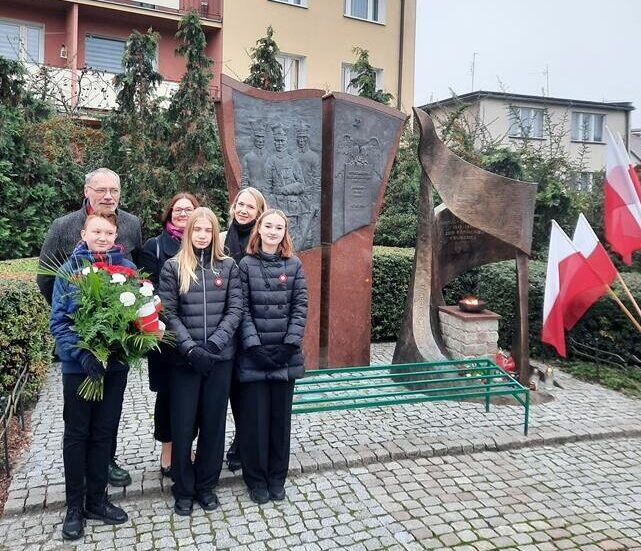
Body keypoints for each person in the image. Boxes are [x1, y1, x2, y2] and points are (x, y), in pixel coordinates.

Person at [38, 167, 142, 488]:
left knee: (110, 413)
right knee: (79, 419)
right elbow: (46, 276)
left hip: (115, 343)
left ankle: (105, 462)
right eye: (101, 190)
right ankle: (80, 474)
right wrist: (76, 316)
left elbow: (135, 278)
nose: (108, 196)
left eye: (114, 190)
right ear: (87, 191)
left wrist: (124, 327)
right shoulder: (63, 227)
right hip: (79, 341)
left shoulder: (132, 224)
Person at [50, 210, 135, 541]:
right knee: (77, 433)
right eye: (96, 232)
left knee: (104, 432)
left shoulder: (126, 270)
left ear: (116, 237)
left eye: (108, 233)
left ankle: (97, 500)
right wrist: (83, 353)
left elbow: (139, 315)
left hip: (114, 367)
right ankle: (74, 507)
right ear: (83, 234)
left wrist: (127, 344)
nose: (102, 238)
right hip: (79, 368)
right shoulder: (69, 271)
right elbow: (59, 321)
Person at [158, 207, 242, 516]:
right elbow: (167, 312)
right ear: (188, 233)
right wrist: (191, 349)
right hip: (185, 362)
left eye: (208, 230)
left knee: (213, 424)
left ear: (215, 233)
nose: (203, 236)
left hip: (219, 361)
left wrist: (214, 345)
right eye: (197, 230)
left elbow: (235, 310)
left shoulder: (229, 266)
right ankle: (183, 488)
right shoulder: (173, 267)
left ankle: (206, 486)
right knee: (183, 426)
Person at [237, 209, 308, 504]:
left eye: (279, 227)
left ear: (284, 233)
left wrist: (288, 347)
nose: (273, 231)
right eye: (268, 225)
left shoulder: (294, 264)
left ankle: (277, 477)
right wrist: (254, 347)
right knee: (255, 423)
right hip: (254, 357)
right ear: (259, 229)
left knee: (280, 422)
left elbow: (300, 307)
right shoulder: (245, 264)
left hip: (284, 357)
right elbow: (240, 308)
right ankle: (256, 480)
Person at [139, 193, 199, 479]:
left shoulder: (205, 244)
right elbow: (146, 291)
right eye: (178, 209)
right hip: (165, 336)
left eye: (189, 209)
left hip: (198, 333)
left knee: (192, 395)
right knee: (167, 395)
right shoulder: (155, 246)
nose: (183, 214)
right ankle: (168, 451)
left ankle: (187, 449)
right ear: (169, 213)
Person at [220, 187, 267, 473]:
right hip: (224, 322)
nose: (243, 210)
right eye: (240, 204)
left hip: (252, 323)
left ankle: (243, 442)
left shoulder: (263, 240)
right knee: (231, 388)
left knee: (248, 389)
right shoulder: (223, 237)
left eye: (250, 207)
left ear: (259, 212)